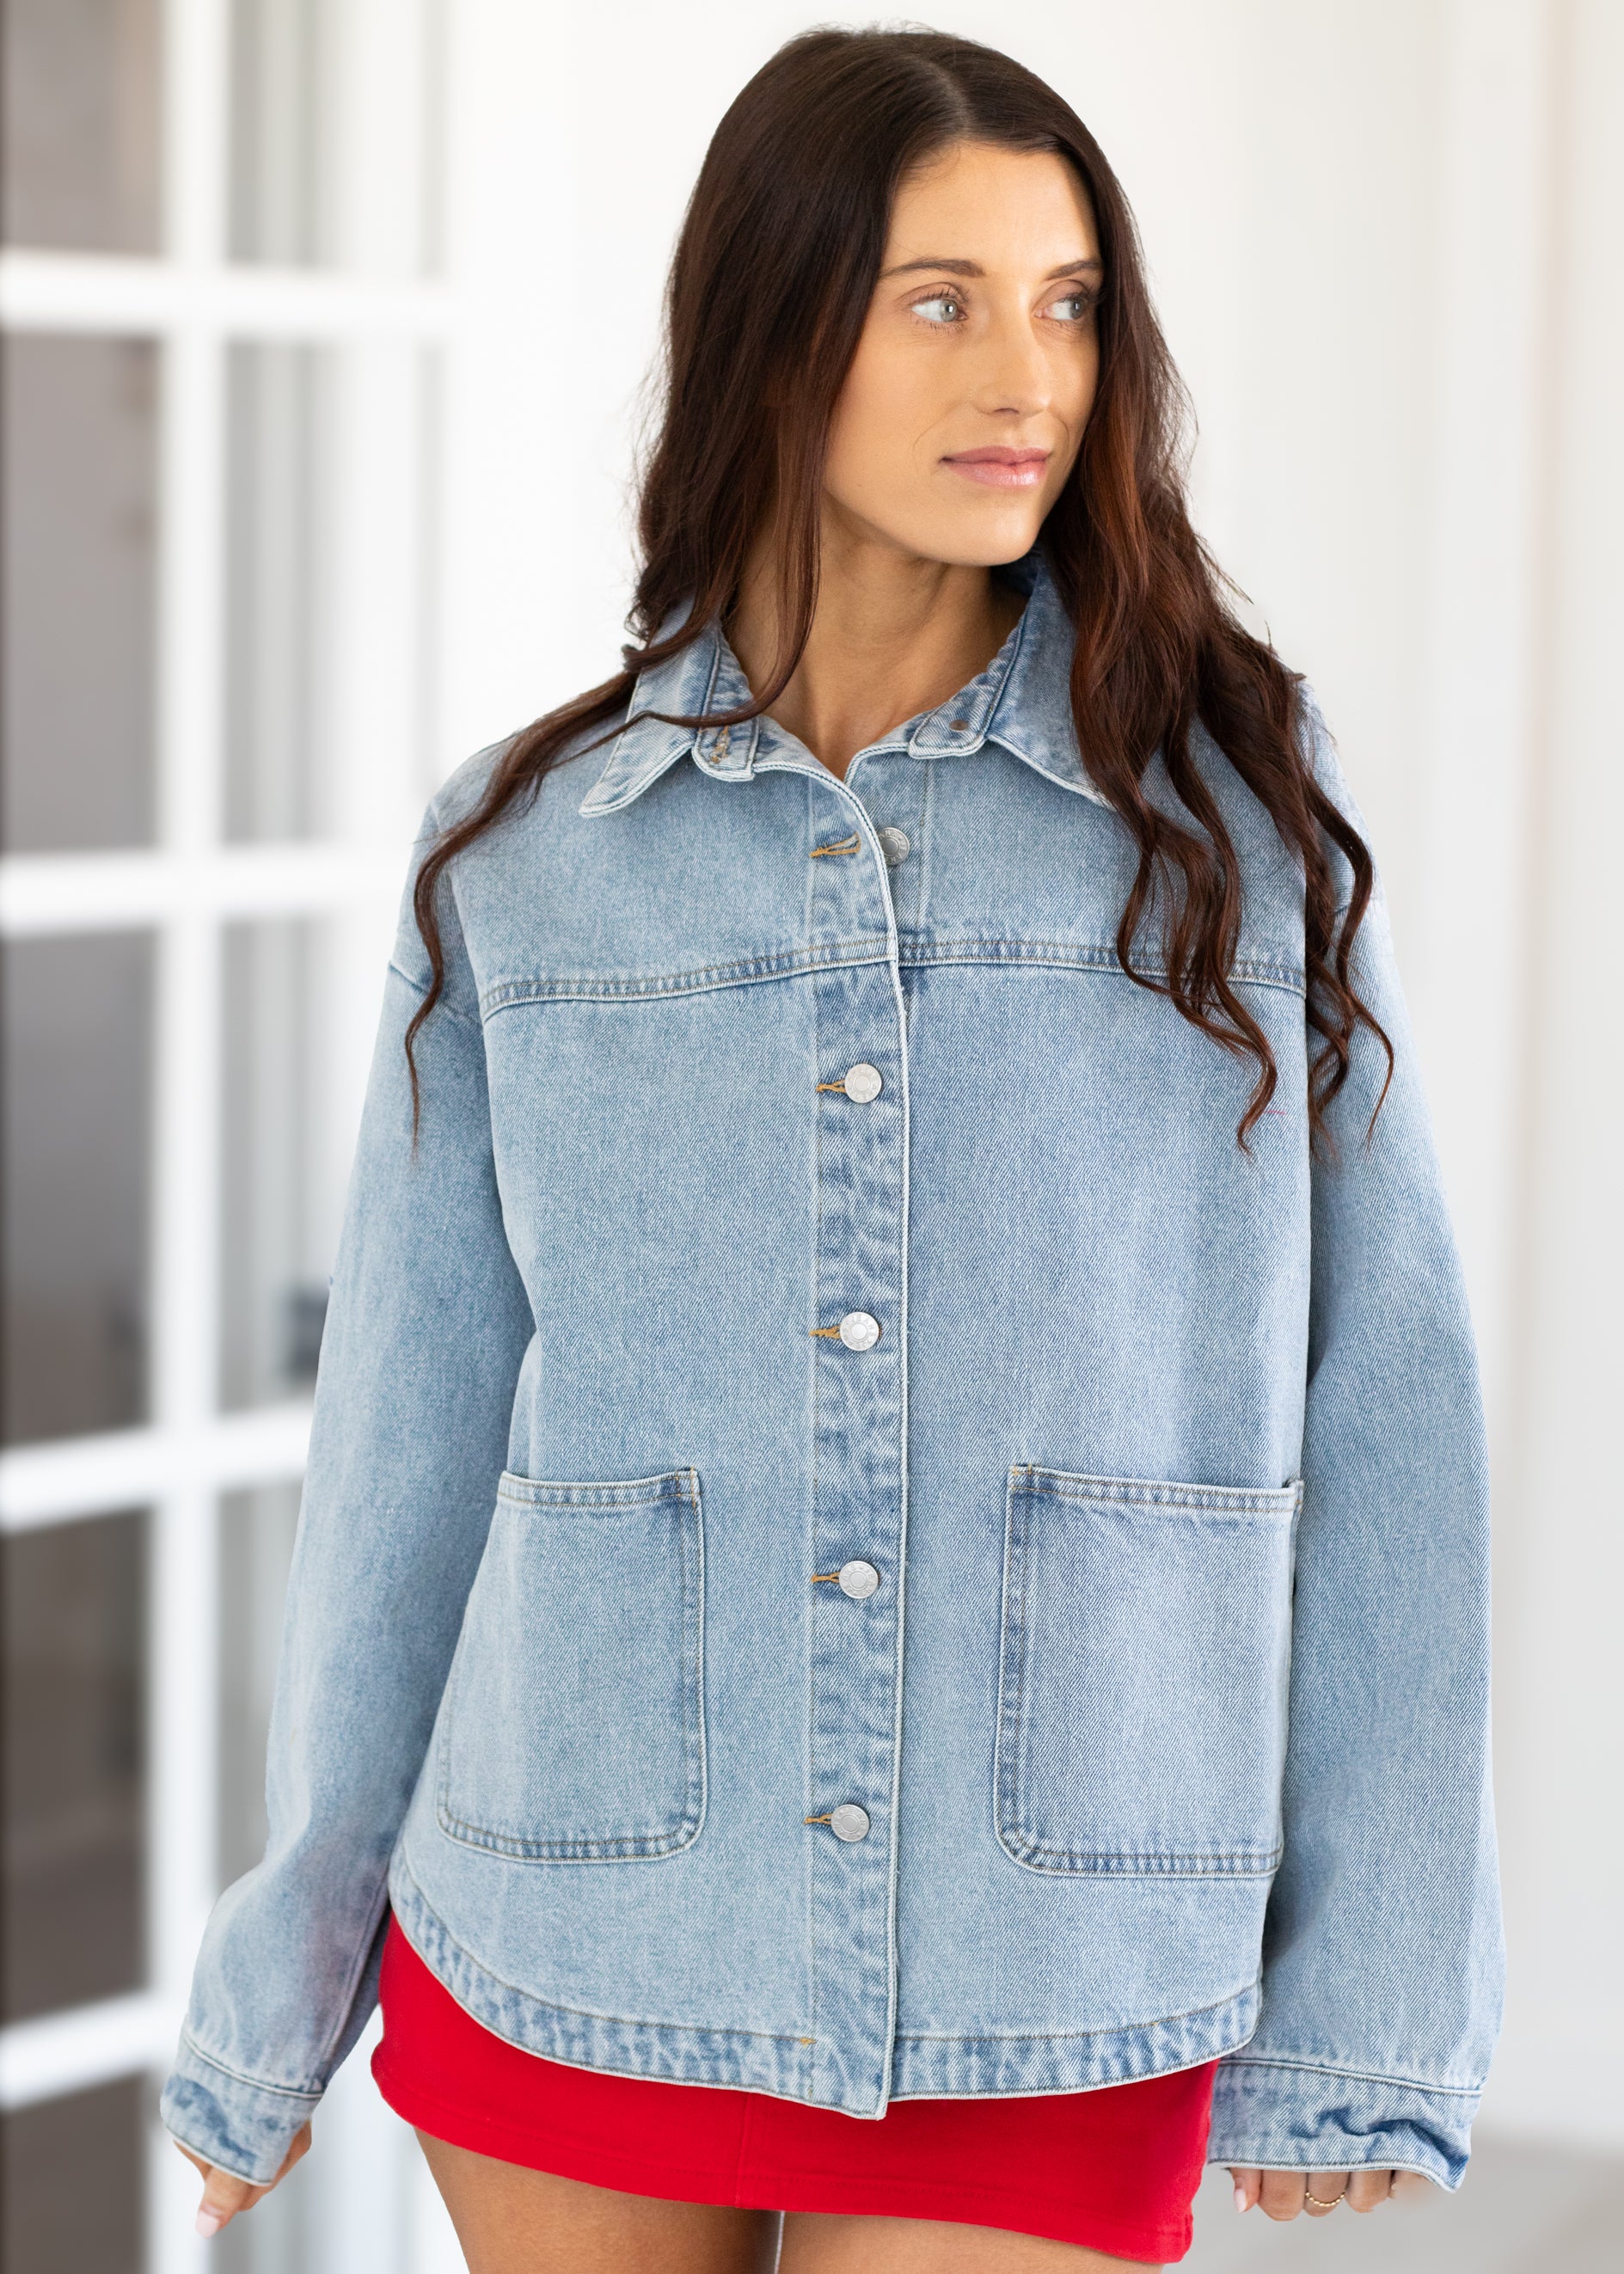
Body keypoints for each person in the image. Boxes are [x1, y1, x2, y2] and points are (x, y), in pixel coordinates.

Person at [160, 27, 1503, 2272]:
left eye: (1069, 303)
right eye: (939, 300)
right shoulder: (525, 854)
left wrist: (1371, 1987)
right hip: (579, 1903)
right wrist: (284, 1975)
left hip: (1056, 1951)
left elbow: (1388, 1411)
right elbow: (404, 1441)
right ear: (771, 330)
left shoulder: (1233, 819)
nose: (1029, 377)